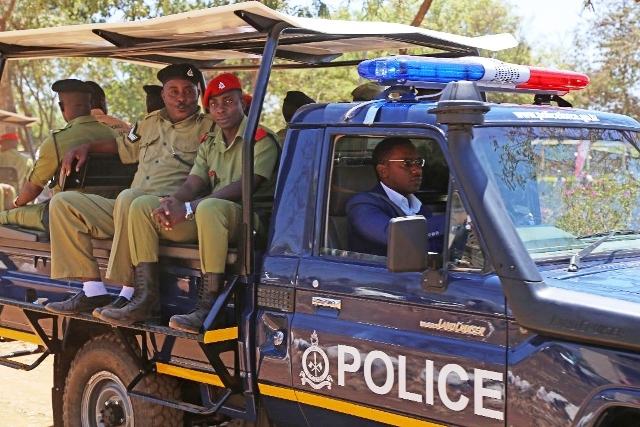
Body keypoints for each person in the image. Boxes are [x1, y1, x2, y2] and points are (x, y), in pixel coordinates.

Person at [98, 73, 279, 333]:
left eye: (228, 101)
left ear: (243, 103)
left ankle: (209, 306)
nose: (221, 109)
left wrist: (190, 207)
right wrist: (173, 202)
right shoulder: (210, 142)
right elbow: (193, 182)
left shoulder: (260, 139)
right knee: (143, 206)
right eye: (214, 104)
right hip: (212, 219)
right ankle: (145, 297)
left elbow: (246, 186)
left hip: (251, 222)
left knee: (208, 207)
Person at [44, 63, 215, 316]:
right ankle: (92, 290)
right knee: (62, 203)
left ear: (198, 94)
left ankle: (128, 292)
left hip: (167, 213)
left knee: (129, 197)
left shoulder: (210, 127)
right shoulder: (148, 123)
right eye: (174, 91)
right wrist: (87, 147)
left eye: (188, 91)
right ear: (164, 95)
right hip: (128, 208)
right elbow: (121, 144)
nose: (181, 98)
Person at [0, 79, 119, 231]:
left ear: (62, 107)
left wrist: (13, 204)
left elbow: (33, 190)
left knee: (3, 215)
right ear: (90, 104)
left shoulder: (57, 141)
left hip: (64, 215)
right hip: (108, 214)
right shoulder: (114, 136)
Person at [345, 137, 445, 256]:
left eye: (418, 163)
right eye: (407, 163)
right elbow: (393, 236)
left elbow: (430, 248)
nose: (417, 171)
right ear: (383, 171)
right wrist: (453, 221)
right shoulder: (362, 205)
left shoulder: (418, 207)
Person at [0, 133, 33, 212]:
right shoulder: (28, 161)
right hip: (16, 197)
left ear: (6, 144)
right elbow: (30, 183)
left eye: (1, 144)